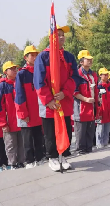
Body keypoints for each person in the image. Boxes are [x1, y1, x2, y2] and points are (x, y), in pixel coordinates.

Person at [34, 24, 78, 171]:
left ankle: (63, 155)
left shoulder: (69, 57)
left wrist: (65, 92)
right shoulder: (43, 57)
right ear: (50, 37)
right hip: (50, 104)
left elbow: (74, 78)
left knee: (65, 130)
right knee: (50, 132)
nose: (61, 37)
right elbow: (39, 81)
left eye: (62, 35)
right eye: (57, 34)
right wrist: (48, 100)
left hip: (64, 101)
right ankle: (52, 157)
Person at [15, 45, 44, 169]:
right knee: (27, 140)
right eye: (32, 55)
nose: (35, 57)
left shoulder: (40, 71)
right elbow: (19, 95)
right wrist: (22, 114)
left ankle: (39, 158)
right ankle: (29, 161)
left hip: (39, 111)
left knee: (39, 137)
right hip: (27, 113)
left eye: (36, 55)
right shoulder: (22, 74)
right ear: (26, 57)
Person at [0, 61, 25, 170]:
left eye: (15, 68)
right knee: (11, 144)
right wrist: (3, 123)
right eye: (11, 69)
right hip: (9, 122)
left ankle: (22, 162)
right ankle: (13, 164)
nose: (14, 70)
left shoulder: (19, 83)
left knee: (21, 143)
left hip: (21, 119)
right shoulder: (1, 87)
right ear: (5, 72)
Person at [74, 50, 98, 154]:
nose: (90, 60)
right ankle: (80, 150)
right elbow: (74, 92)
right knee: (81, 132)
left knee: (90, 131)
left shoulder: (93, 74)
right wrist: (86, 99)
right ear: (81, 62)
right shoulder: (77, 74)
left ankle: (89, 149)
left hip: (91, 108)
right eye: (87, 59)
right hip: (81, 109)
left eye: (90, 59)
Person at [96, 68, 110, 148]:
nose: (107, 76)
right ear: (100, 75)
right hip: (101, 110)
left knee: (107, 128)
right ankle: (99, 144)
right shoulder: (98, 86)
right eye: (105, 75)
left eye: (107, 75)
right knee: (100, 129)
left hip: (109, 110)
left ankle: (105, 143)